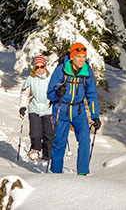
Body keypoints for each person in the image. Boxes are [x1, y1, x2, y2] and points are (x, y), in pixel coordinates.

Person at [47, 42, 101, 175]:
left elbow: (92, 95)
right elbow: (49, 93)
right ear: (72, 57)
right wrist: (57, 92)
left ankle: (83, 173)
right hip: (61, 109)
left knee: (85, 139)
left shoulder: (87, 72)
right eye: (79, 56)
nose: (82, 59)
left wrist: (95, 115)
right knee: (59, 143)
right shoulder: (61, 70)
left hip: (78, 111)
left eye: (84, 56)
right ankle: (56, 174)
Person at [19, 55, 54, 161]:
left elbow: (55, 91)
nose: (39, 69)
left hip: (48, 110)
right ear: (34, 68)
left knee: (48, 134)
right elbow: (25, 94)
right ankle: (35, 150)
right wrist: (22, 106)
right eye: (37, 67)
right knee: (35, 134)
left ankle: (47, 156)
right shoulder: (30, 79)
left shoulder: (50, 78)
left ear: (45, 67)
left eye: (42, 66)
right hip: (34, 109)